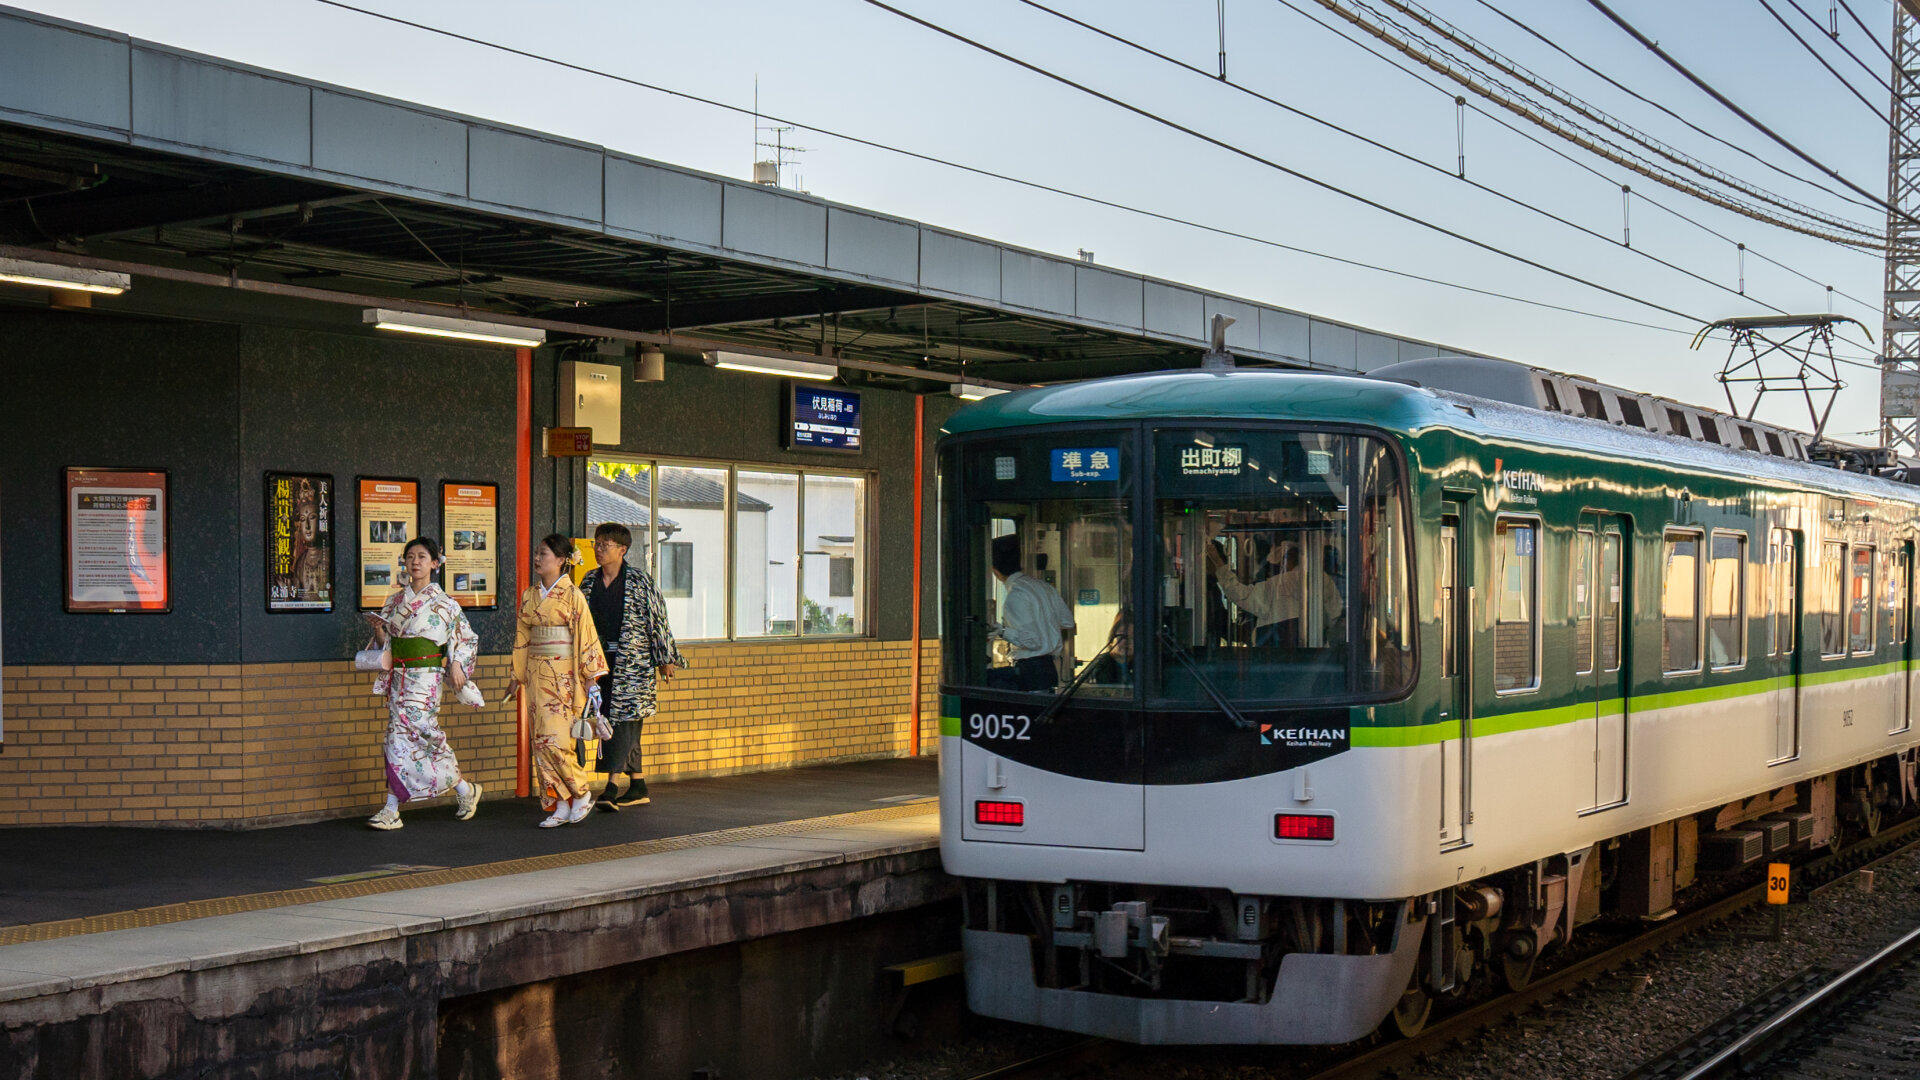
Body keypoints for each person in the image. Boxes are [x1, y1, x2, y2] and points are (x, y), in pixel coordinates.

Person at [364, 536, 483, 831]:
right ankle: (399, 807)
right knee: (399, 739)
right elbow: (387, 645)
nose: (414, 561)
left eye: (421, 556)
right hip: (399, 678)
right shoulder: (394, 601)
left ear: (434, 563)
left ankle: (459, 790)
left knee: (421, 735)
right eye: (410, 556)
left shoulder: (445, 604)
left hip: (425, 679)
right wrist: (379, 630)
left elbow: (466, 638)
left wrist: (456, 663)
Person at [581, 522, 688, 811]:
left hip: (633, 665)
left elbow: (658, 621)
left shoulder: (641, 582)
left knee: (623, 721)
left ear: (623, 549)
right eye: (597, 543)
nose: (598, 549)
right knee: (614, 719)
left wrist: (665, 659)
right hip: (600, 664)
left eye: (605, 544)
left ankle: (612, 787)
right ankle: (638, 785)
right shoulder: (589, 582)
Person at [507, 534, 611, 828]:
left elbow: (585, 637)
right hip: (536, 673)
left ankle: (580, 792)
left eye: (544, 554)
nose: (537, 559)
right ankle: (560, 803)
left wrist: (590, 679)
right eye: (537, 553)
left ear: (562, 560)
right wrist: (516, 675)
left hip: (564, 676)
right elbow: (522, 638)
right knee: (541, 741)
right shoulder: (530, 595)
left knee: (556, 740)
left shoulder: (573, 595)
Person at [987, 534, 1074, 693]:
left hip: (1031, 672)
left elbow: (1034, 642)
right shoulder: (1042, 586)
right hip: (1050, 669)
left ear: (994, 570)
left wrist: (1002, 631)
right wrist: (1045, 624)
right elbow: (1068, 621)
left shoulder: (1015, 596)